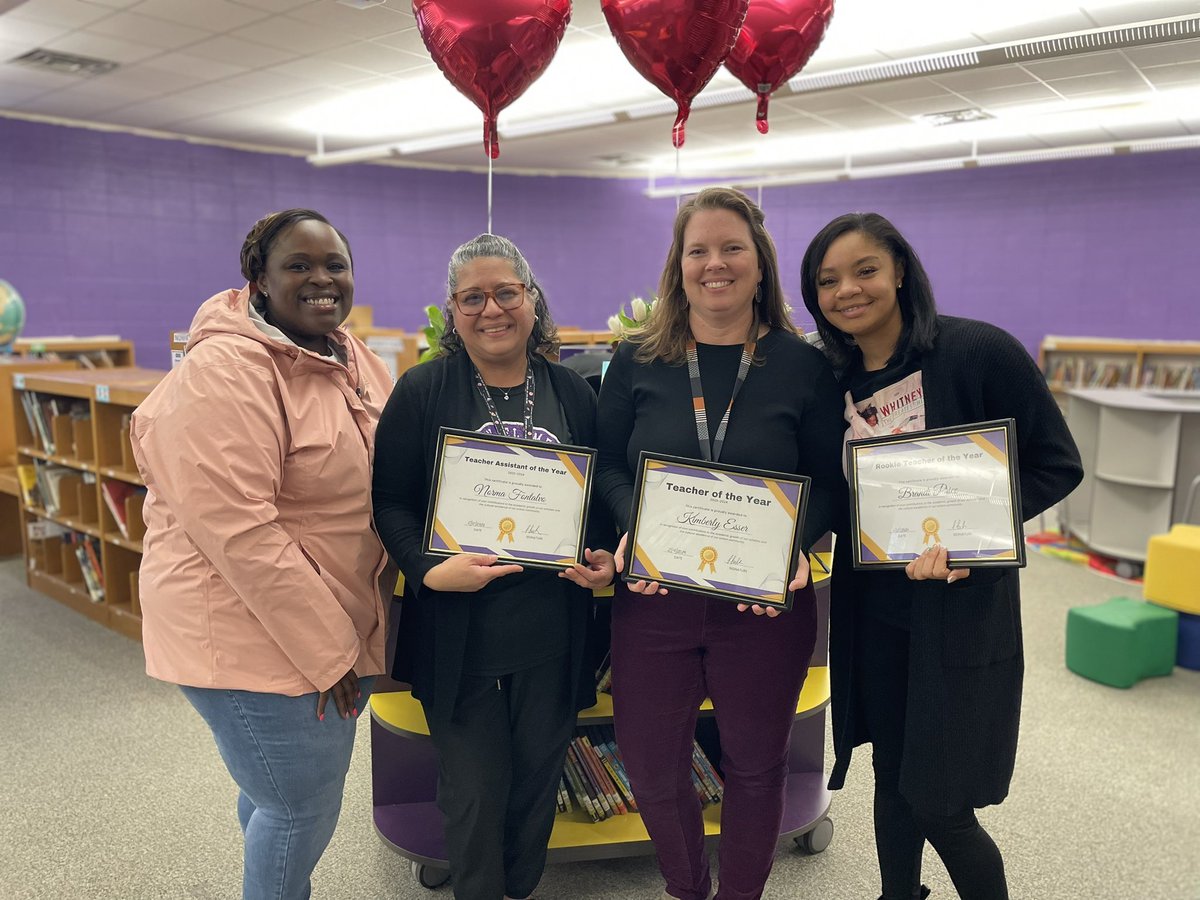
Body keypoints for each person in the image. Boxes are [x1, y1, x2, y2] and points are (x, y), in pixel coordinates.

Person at [799, 212, 1084, 900]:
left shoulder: (977, 352)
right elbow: (834, 493)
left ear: (899, 270)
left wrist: (973, 540)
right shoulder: (829, 377)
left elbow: (1057, 464)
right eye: (828, 280)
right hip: (872, 615)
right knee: (893, 776)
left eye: (865, 270)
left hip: (955, 612)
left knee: (941, 802)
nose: (848, 291)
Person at [130, 208, 395, 900]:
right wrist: (331, 649)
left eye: (333, 263)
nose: (321, 280)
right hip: (251, 625)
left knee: (274, 791)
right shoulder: (227, 370)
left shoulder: (347, 352)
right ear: (259, 279)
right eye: (298, 266)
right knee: (299, 806)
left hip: (327, 610)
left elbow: (395, 451)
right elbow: (241, 534)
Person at [594, 187, 845, 900]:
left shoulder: (804, 367)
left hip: (764, 606)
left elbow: (829, 480)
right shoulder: (639, 359)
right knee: (649, 764)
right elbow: (609, 465)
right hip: (654, 599)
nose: (715, 264)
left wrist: (798, 538)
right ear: (678, 265)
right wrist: (632, 528)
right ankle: (685, 887)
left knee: (757, 765)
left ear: (760, 263)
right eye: (697, 250)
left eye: (732, 247)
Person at [372, 233, 615, 900]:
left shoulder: (574, 392)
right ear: (452, 311)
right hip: (460, 633)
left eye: (507, 292)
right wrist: (426, 568)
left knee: (538, 778)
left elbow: (599, 501)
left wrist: (601, 559)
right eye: (472, 297)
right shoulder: (421, 391)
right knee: (474, 792)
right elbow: (389, 502)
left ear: (532, 302)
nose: (492, 309)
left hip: (552, 631)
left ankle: (522, 887)